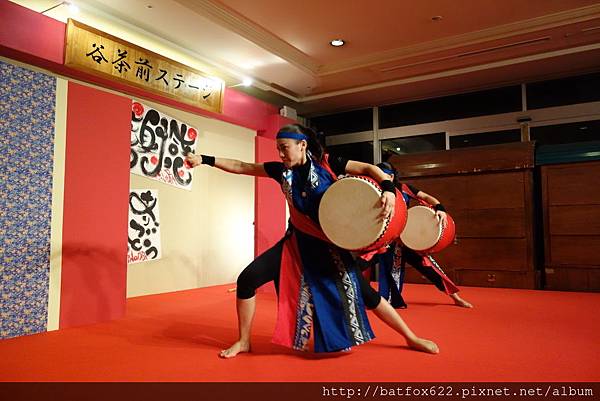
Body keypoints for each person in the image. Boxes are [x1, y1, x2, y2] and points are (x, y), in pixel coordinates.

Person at [185, 124, 439, 358]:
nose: (281, 154)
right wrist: (205, 160)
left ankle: (411, 337)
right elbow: (242, 166)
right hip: (295, 245)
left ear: (302, 145)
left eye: (284, 148)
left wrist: (387, 190)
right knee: (247, 280)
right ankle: (243, 341)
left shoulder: (329, 164)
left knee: (367, 296)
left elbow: (367, 169)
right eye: (278, 149)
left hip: (329, 248)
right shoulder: (280, 172)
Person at [370, 162, 473, 309]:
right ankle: (371, 300)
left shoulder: (404, 189)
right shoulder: (375, 188)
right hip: (385, 240)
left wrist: (440, 208)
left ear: (391, 176)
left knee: (430, 267)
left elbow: (427, 197)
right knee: (359, 264)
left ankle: (456, 298)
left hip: (406, 239)